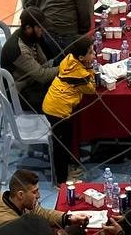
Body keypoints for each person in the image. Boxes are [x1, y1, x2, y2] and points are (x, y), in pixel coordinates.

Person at [42, 35, 97, 183]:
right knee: (61, 146)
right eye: (91, 52)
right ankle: (61, 180)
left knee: (65, 142)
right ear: (81, 57)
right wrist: (90, 68)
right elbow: (91, 89)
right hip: (58, 112)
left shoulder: (69, 59)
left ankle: (67, 170)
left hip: (53, 103)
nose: (94, 55)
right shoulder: (80, 74)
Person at [0, 168, 78, 233]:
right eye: (34, 192)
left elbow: (41, 213)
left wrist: (68, 218)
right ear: (20, 194)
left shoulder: (13, 199)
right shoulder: (6, 223)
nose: (39, 196)